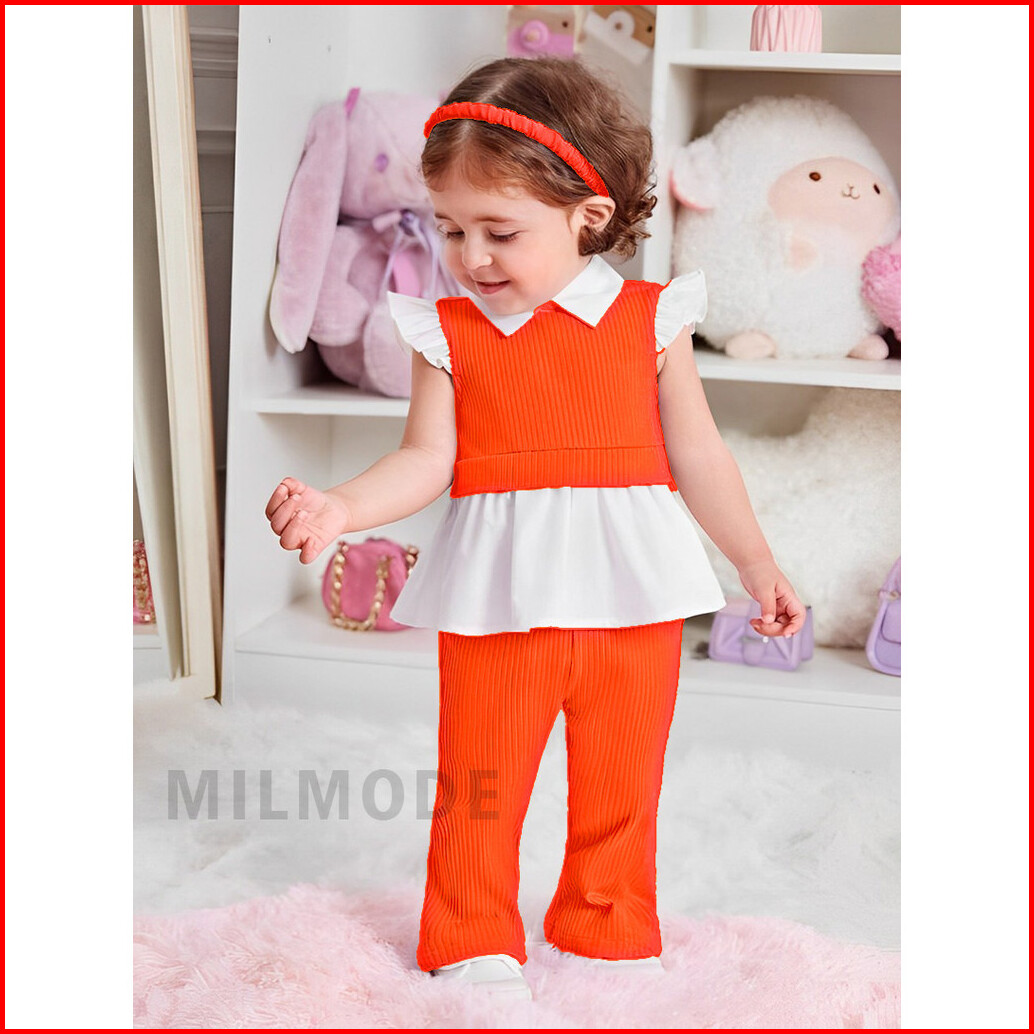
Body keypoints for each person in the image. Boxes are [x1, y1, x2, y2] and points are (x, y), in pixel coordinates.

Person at [265, 56, 806, 1001]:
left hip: (634, 597)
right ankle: (472, 932)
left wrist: (755, 562)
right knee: (480, 779)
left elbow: (700, 456)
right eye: (450, 229)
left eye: (500, 232)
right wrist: (341, 507)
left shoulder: (651, 321)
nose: (471, 257)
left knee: (622, 781)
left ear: (587, 216)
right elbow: (425, 459)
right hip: (498, 600)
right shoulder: (448, 332)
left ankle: (606, 923)